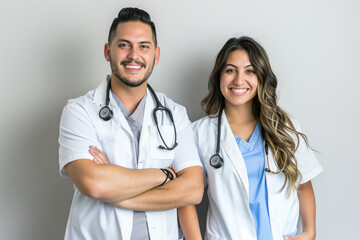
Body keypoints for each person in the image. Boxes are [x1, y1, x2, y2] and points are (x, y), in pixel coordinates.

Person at [58, 7, 203, 240]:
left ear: (156, 55)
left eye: (143, 46)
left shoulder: (175, 113)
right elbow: (93, 184)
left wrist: (115, 189)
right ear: (108, 51)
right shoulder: (80, 111)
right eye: (124, 45)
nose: (134, 55)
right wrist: (165, 175)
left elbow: (193, 190)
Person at [192, 36, 323, 240]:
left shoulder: (284, 127)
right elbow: (187, 196)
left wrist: (310, 231)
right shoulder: (200, 133)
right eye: (230, 70)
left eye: (250, 71)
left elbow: (303, 184)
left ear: (261, 77)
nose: (238, 80)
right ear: (219, 76)